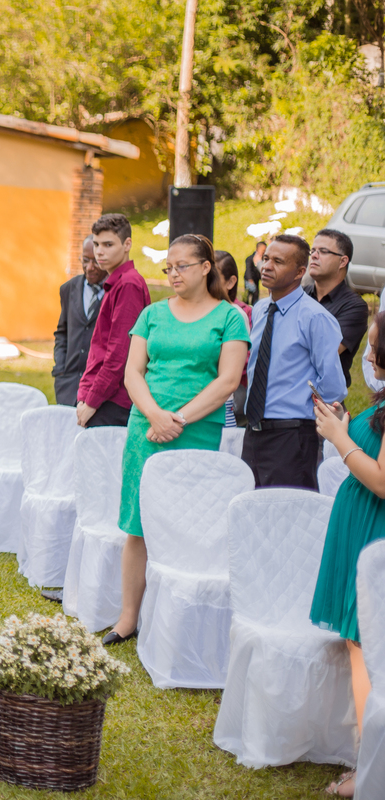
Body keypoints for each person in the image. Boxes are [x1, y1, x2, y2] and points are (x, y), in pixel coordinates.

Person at [102, 234, 249, 645]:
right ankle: (128, 617)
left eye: (181, 266)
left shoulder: (229, 316)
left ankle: (181, 619)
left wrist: (179, 419)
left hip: (197, 430)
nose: (172, 274)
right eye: (168, 268)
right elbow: (133, 372)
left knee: (189, 523)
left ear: (206, 268)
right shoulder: (151, 314)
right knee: (138, 524)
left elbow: (228, 381)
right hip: (146, 429)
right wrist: (154, 415)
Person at [311, 316, 385, 798]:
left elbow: (380, 480)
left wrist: (339, 440)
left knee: (367, 649)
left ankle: (368, 771)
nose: (369, 359)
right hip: (359, 527)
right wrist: (346, 424)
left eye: (375, 349)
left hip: (373, 530)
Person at [241, 234, 345, 489]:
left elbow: (333, 387)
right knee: (249, 515)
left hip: (291, 435)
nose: (266, 266)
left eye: (278, 261)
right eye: (265, 259)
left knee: (287, 519)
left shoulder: (315, 318)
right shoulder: (260, 309)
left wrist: (300, 407)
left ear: (300, 272)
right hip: (253, 431)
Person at [77, 213, 151, 428]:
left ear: (127, 244)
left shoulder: (128, 284)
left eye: (108, 244)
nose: (99, 251)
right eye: (97, 244)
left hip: (113, 400)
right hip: (102, 396)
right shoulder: (116, 282)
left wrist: (92, 400)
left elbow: (120, 353)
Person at [304, 228, 368, 389]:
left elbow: (323, 353)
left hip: (324, 400)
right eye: (313, 250)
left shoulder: (354, 306)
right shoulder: (299, 295)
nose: (314, 255)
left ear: (343, 261)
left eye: (323, 251)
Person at [53, 235, 106, 405]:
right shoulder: (68, 289)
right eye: (85, 260)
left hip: (99, 387)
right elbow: (62, 332)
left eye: (96, 261)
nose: (90, 267)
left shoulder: (115, 293)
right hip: (68, 384)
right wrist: (60, 369)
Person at [216, 250, 253, 427]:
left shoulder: (235, 315)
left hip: (223, 405)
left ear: (231, 282)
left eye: (213, 278)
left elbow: (233, 373)